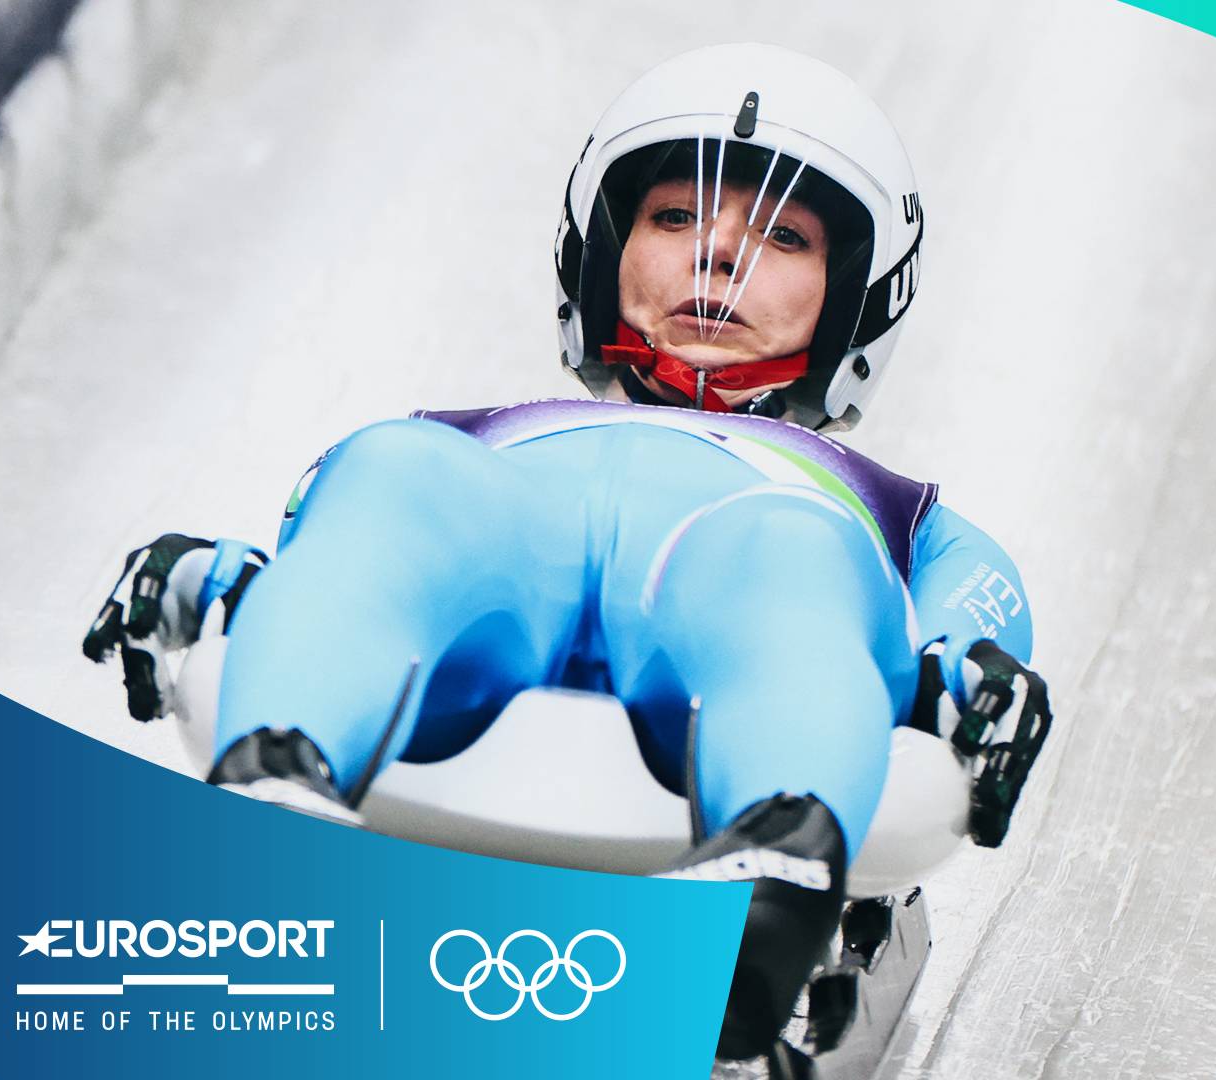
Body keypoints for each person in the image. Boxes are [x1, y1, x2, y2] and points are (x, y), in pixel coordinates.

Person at [82, 43, 1052, 1060]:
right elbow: (338, 565)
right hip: (493, 595)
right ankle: (278, 788)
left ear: (854, 294)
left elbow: (976, 612)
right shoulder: (459, 442)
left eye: (783, 237)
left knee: (786, 547)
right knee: (397, 464)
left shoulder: (879, 505)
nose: (718, 257)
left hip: (737, 615)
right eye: (673, 218)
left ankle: (773, 872)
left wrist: (970, 675)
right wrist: (205, 578)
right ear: (601, 254)